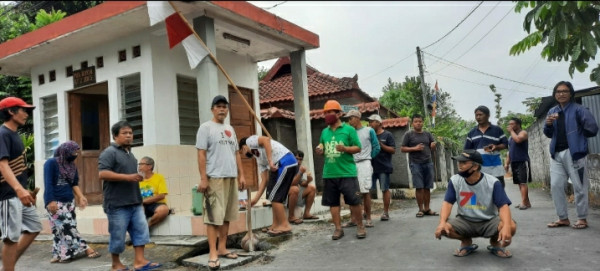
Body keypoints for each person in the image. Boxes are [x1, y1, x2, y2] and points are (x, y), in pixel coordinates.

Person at [98, 121, 161, 271]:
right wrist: (128, 177)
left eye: (130, 133)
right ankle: (116, 265)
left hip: (135, 202)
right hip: (117, 204)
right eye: (124, 133)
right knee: (118, 236)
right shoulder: (109, 152)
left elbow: (132, 177)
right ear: (115, 136)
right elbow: (102, 173)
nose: (128, 136)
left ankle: (140, 261)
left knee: (141, 232)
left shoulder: (130, 155)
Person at [434, 150, 517, 258]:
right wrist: (442, 222)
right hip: (464, 221)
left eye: (464, 163)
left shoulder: (493, 182)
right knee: (444, 228)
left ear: (475, 166)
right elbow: (447, 204)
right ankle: (466, 242)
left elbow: (503, 207)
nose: (459, 165)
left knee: (511, 225)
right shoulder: (455, 181)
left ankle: (495, 243)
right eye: (459, 162)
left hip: (489, 221)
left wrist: (506, 227)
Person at [195, 95, 246, 270]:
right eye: (218, 106)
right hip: (214, 178)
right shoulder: (205, 128)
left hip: (231, 177)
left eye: (225, 106)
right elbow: (201, 154)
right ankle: (212, 253)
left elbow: (236, 153)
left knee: (226, 216)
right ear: (212, 109)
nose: (222, 109)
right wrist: (203, 178)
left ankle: (222, 248)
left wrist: (242, 175)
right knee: (212, 218)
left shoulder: (230, 128)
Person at [544, 81, 598, 229]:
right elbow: (548, 134)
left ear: (570, 93)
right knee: (555, 185)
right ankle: (563, 218)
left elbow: (592, 129)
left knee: (579, 186)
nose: (561, 94)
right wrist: (548, 124)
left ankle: (582, 218)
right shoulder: (552, 112)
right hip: (556, 154)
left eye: (565, 91)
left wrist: (579, 138)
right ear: (555, 94)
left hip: (575, 153)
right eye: (558, 91)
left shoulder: (579, 110)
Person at [0, 97, 43, 271]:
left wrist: (24, 190)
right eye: (24, 110)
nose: (26, 114)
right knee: (11, 238)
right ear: (11, 111)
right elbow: (2, 164)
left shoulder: (14, 134)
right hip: (8, 195)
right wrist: (18, 189)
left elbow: (15, 167)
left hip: (19, 194)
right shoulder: (2, 134)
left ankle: (7, 267)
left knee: (34, 227)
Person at [315, 100, 365, 240]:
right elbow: (322, 144)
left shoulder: (349, 130)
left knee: (354, 201)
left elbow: (358, 147)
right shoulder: (324, 132)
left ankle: (360, 226)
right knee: (333, 203)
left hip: (347, 172)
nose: (326, 115)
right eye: (325, 113)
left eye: (329, 112)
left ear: (338, 114)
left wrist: (345, 149)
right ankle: (338, 229)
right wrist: (320, 149)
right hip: (329, 173)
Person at [44, 141, 101, 263]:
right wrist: (50, 201)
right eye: (73, 151)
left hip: (69, 201)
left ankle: (61, 254)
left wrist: (81, 197)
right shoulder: (51, 163)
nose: (75, 154)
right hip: (55, 200)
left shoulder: (72, 166)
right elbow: (48, 183)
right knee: (67, 227)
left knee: (61, 229)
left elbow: (74, 184)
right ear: (65, 151)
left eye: (76, 152)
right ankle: (86, 248)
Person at [240, 135, 297, 236]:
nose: (244, 155)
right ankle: (275, 224)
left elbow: (266, 140)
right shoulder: (258, 158)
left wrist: (270, 161)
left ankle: (284, 225)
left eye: (242, 152)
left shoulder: (249, 141)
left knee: (276, 197)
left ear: (244, 147)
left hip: (285, 161)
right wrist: (254, 200)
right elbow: (264, 180)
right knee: (271, 194)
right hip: (279, 165)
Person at [342, 110, 380, 228]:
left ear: (357, 118)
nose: (349, 121)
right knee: (351, 192)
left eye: (350, 118)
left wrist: (368, 157)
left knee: (365, 192)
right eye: (348, 119)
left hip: (364, 163)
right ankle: (353, 219)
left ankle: (368, 217)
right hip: (351, 164)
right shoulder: (349, 132)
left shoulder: (369, 130)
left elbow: (376, 147)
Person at [401, 114, 438, 218]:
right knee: (419, 187)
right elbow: (402, 149)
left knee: (427, 187)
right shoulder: (408, 135)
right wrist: (414, 148)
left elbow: (433, 147)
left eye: (420, 121)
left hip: (428, 162)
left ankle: (427, 209)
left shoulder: (427, 134)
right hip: (415, 163)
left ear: (423, 123)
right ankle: (420, 209)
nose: (418, 123)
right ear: (412, 123)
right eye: (416, 121)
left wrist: (433, 145)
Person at [464, 105, 508, 187]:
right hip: (479, 169)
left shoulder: (497, 130)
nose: (478, 117)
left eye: (480, 115)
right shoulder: (472, 132)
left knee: (498, 192)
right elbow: (467, 151)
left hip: (495, 168)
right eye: (476, 115)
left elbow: (505, 144)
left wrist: (496, 147)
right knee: (481, 193)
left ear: (488, 115)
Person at [368, 113, 396, 221]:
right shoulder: (369, 135)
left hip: (384, 167)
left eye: (372, 122)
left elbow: (393, 150)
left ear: (379, 123)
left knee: (385, 189)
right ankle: (367, 212)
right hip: (370, 167)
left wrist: (381, 145)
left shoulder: (387, 135)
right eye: (369, 122)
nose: (370, 124)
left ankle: (385, 212)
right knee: (368, 190)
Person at [504, 117, 532, 210]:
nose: (510, 126)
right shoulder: (510, 137)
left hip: (522, 161)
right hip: (514, 162)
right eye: (509, 124)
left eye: (512, 124)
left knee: (523, 182)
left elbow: (518, 140)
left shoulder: (523, 133)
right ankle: (526, 202)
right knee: (519, 183)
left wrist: (511, 131)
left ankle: (524, 203)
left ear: (518, 124)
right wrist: (507, 163)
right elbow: (510, 151)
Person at [138, 156, 171, 228]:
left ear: (149, 166)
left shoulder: (159, 177)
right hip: (142, 205)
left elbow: (162, 195)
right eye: (139, 164)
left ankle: (147, 227)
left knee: (164, 210)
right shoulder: (138, 179)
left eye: (141, 164)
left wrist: (143, 201)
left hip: (156, 204)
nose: (139, 166)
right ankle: (138, 231)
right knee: (138, 209)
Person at [287, 150, 318, 224]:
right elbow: (292, 184)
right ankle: (291, 216)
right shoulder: (288, 167)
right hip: (284, 195)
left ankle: (306, 213)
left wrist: (308, 181)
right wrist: (300, 172)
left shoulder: (298, 168)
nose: (298, 161)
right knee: (294, 189)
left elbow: (302, 183)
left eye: (300, 159)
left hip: (295, 193)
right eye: (296, 158)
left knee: (312, 188)